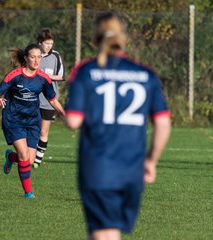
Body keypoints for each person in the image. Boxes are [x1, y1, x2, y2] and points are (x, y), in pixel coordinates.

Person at [65, 12, 171, 240]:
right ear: (125, 39)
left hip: (99, 167)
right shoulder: (146, 74)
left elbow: (73, 120)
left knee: (105, 233)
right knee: (104, 231)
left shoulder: (86, 71)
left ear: (95, 38)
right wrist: (151, 161)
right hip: (131, 170)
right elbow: (163, 122)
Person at [0, 43, 65, 199]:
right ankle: (28, 193)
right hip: (13, 119)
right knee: (24, 155)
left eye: (39, 57)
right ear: (26, 58)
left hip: (32, 120)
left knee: (30, 160)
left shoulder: (43, 78)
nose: (36, 60)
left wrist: (65, 113)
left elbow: (52, 99)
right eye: (33, 57)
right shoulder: (15, 75)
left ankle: (10, 157)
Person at [33, 28, 64, 168]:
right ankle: (28, 156)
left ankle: (37, 162)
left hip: (48, 101)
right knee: (32, 129)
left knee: (43, 131)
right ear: (40, 43)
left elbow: (61, 76)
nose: (49, 46)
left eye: (51, 43)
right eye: (47, 43)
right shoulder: (33, 55)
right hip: (32, 99)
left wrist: (46, 76)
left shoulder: (56, 56)